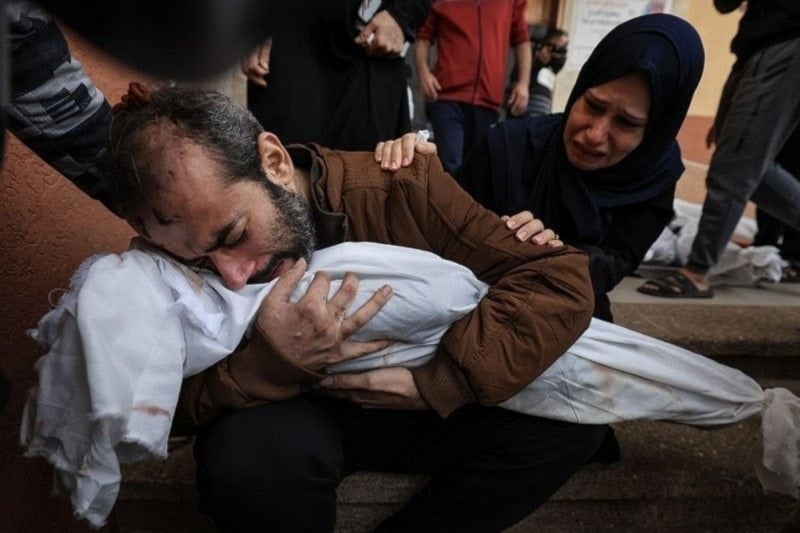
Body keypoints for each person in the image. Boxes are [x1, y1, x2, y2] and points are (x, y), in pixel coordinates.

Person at [101, 84, 607, 531]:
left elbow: (557, 280)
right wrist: (265, 367)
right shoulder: (159, 266)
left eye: (234, 235)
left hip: (431, 404)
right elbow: (163, 404)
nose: (234, 275)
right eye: (200, 262)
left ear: (274, 162)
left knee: (578, 421)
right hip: (300, 412)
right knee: (246, 463)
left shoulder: (400, 187)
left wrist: (443, 380)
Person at [378, 14, 704, 321]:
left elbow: (616, 261)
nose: (595, 134)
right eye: (593, 105)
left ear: (656, 131)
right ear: (579, 91)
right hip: (467, 304)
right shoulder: (506, 148)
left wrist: (557, 257)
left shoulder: (653, 174)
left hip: (571, 311)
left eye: (627, 122)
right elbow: (441, 233)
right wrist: (410, 174)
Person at [639, 0, 800, 298]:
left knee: (736, 169)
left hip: (785, 41)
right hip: (756, 46)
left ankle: (696, 272)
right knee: (752, 171)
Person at [241, 1, 429, 151]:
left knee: (367, 180)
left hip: (372, 41)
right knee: (280, 170)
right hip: (291, 40)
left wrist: (403, 14)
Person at [414, 0, 531, 173]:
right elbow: (423, 37)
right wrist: (424, 74)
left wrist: (524, 83)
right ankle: (445, 200)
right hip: (447, 98)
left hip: (487, 103)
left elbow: (522, 40)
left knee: (477, 169)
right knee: (450, 164)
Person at [508, 26, 569, 118]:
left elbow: (558, 66)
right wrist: (538, 58)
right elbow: (521, 71)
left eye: (563, 45)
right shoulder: (534, 52)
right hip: (528, 99)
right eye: (556, 44)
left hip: (543, 105)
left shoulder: (559, 58)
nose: (558, 47)